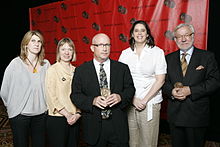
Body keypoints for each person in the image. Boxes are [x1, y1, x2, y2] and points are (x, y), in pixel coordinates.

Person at [70, 33, 135, 147]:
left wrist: (120, 97)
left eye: (107, 45)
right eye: (100, 45)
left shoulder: (122, 68)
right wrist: (92, 101)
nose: (105, 48)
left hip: (117, 125)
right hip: (93, 126)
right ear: (92, 48)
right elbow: (75, 95)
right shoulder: (81, 70)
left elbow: (130, 89)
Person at [162, 23, 220, 147]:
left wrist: (191, 90)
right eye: (179, 37)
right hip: (175, 116)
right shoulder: (168, 59)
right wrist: (171, 91)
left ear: (193, 36)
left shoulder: (207, 57)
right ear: (175, 39)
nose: (183, 39)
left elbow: (214, 81)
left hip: (197, 116)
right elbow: (163, 83)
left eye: (186, 35)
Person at [118, 20, 167, 147]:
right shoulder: (125, 53)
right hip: (130, 102)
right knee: (132, 142)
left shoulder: (157, 52)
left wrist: (144, 100)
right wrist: (133, 99)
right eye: (136, 30)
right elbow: (120, 80)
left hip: (150, 102)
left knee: (147, 142)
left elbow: (160, 80)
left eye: (143, 30)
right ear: (132, 34)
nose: (139, 33)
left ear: (147, 34)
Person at [0, 30, 50, 147]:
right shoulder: (15, 64)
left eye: (39, 41)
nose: (37, 44)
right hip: (20, 116)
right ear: (26, 44)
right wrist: (13, 107)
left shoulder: (46, 64)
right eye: (33, 41)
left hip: (41, 115)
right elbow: (4, 90)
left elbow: (51, 88)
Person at [45, 37, 81, 147]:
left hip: (75, 118)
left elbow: (81, 94)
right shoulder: (52, 70)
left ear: (73, 52)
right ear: (58, 52)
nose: (66, 52)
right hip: (58, 118)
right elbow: (51, 96)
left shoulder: (77, 70)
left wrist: (78, 114)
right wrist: (67, 115)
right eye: (63, 49)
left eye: (70, 49)